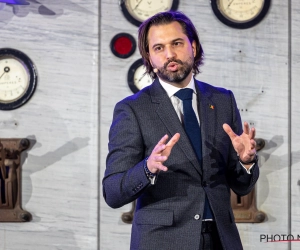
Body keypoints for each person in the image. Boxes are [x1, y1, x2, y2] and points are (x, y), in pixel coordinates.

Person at [103, 11, 259, 250]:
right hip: (163, 241)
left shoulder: (223, 100)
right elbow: (113, 192)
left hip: (221, 239)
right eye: (158, 48)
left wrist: (246, 162)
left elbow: (241, 185)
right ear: (149, 57)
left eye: (177, 43)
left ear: (193, 47)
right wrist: (147, 167)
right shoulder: (132, 109)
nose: (169, 54)